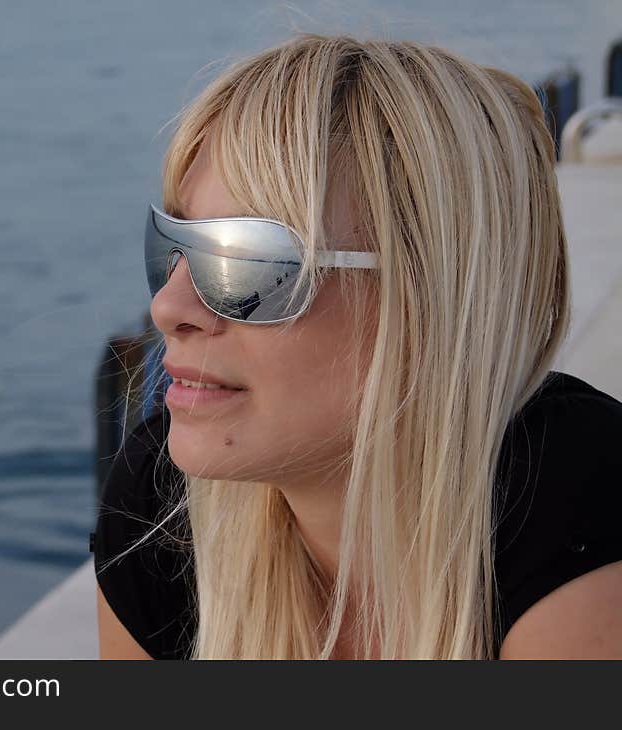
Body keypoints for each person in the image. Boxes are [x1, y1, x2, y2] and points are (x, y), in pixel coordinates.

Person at [92, 32, 622, 659]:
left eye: (249, 263)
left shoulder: (582, 509)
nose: (169, 308)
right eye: (173, 248)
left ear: (428, 295)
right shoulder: (162, 505)